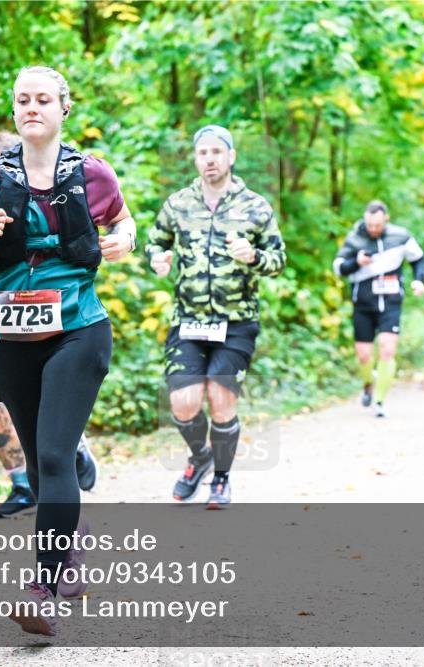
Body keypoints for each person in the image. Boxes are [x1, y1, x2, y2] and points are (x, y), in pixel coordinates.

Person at [0, 66, 136, 636]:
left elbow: (125, 223)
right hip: (10, 340)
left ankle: (41, 591)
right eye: (23, 99)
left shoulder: (93, 173)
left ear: (63, 109)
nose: (33, 107)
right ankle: (68, 540)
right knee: (42, 461)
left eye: (44, 99)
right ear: (14, 109)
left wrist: (124, 240)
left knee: (51, 458)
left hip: (79, 329)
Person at [0, 133, 98, 520]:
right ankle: (21, 484)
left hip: (52, 310)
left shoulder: (51, 189)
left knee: (48, 410)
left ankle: (70, 447)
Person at [146, 125, 286, 509]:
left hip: (236, 321)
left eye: (216, 152)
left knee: (221, 400)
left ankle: (221, 478)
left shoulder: (255, 206)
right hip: (188, 320)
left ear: (231, 157)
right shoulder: (178, 204)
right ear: (196, 159)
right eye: (203, 153)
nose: (209, 159)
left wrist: (254, 257)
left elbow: (278, 260)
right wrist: (157, 259)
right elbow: (155, 241)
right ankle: (200, 457)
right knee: (184, 402)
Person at [333, 200, 424, 418]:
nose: (373, 229)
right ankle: (368, 383)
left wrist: (419, 280)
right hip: (363, 304)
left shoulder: (400, 236)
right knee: (364, 355)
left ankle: (379, 400)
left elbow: (419, 259)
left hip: (391, 302)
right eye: (369, 225)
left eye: (377, 225)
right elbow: (338, 268)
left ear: (386, 219)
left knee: (387, 348)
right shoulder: (354, 238)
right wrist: (356, 262)